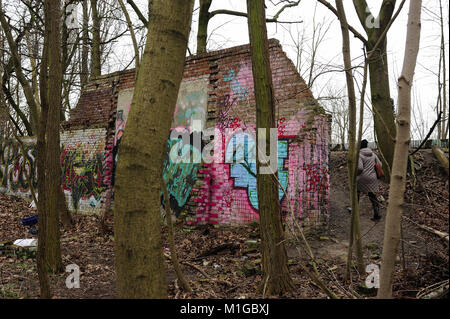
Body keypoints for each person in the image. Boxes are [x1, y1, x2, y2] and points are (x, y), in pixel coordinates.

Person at [357, 139, 382, 221]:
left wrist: (356, 174)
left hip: (362, 177)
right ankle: (376, 214)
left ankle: (354, 210)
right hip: (372, 178)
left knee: (356, 192)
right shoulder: (373, 154)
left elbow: (360, 168)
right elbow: (380, 164)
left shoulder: (359, 154)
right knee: (372, 195)